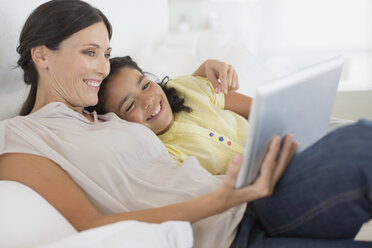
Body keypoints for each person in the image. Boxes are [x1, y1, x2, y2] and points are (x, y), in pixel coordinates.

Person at [0, 1, 371, 248]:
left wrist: (198, 74)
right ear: (41, 55)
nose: (101, 67)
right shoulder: (25, 137)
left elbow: (157, 101)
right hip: (227, 228)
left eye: (106, 54)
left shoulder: (100, 112)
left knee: (362, 141)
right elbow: (92, 223)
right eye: (89, 53)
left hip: (252, 201)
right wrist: (219, 200)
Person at [87, 56, 252, 175]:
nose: (148, 100)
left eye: (145, 86)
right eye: (130, 105)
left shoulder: (187, 89)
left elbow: (260, 110)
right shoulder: (163, 157)